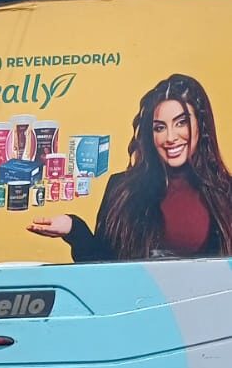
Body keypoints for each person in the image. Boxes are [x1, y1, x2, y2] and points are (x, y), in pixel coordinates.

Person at [27, 74, 232, 262]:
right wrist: (74, 228)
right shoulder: (123, 189)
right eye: (160, 128)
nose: (170, 138)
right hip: (139, 302)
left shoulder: (226, 192)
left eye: (181, 123)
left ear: (201, 125)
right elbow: (102, 266)